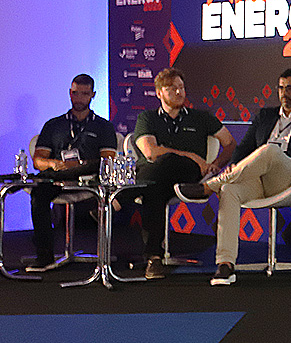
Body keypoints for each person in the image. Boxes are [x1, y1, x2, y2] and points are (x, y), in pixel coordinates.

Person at [174, 69, 291, 286]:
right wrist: (235, 166)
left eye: (290, 88)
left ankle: (209, 187)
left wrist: (288, 158)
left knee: (270, 150)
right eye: (281, 88)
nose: (284, 93)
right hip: (258, 179)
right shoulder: (265, 116)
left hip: (290, 177)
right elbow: (243, 149)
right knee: (229, 190)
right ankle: (225, 264)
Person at [132, 68, 235, 279]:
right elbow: (150, 152)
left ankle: (121, 197)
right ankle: (154, 258)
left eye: (181, 87)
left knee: (160, 168)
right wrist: (192, 155)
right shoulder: (147, 117)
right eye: (172, 88)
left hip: (187, 175)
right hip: (156, 177)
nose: (179, 92)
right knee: (155, 188)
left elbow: (230, 143)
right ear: (159, 93)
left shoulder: (201, 117)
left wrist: (215, 165)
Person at [27, 74, 118, 272]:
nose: (79, 98)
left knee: (93, 173)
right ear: (70, 93)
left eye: (84, 94)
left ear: (93, 95)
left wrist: (80, 164)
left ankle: (104, 259)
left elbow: (107, 161)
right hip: (56, 177)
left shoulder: (103, 126)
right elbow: (38, 161)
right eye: (76, 93)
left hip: (89, 178)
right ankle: (45, 256)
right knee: (39, 193)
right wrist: (54, 164)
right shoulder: (53, 125)